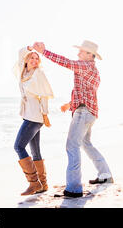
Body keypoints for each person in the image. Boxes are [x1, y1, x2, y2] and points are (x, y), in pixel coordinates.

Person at [32, 40, 113, 198]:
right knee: (86, 143)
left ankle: (74, 188)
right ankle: (105, 174)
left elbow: (65, 62)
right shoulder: (93, 70)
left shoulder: (85, 66)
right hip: (89, 112)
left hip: (83, 113)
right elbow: (86, 92)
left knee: (72, 146)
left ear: (90, 55)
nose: (78, 54)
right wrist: (70, 104)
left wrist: (44, 52)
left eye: (82, 52)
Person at [12, 46, 54, 195]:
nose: (35, 60)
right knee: (35, 151)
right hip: (28, 114)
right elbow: (19, 54)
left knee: (18, 146)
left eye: (37, 58)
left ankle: (34, 183)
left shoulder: (38, 73)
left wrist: (45, 114)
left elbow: (44, 95)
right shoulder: (23, 72)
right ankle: (43, 184)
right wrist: (29, 48)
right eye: (32, 57)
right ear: (26, 59)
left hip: (35, 116)